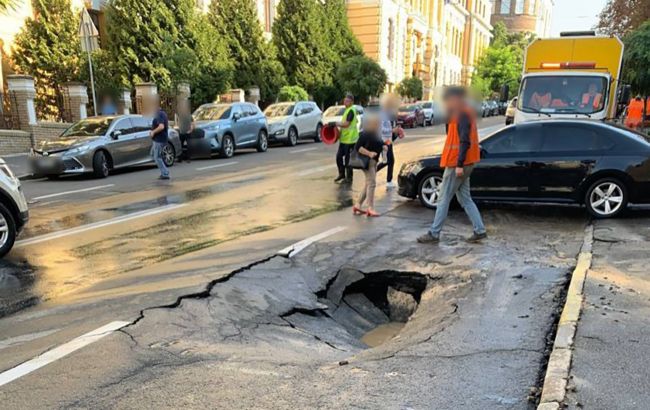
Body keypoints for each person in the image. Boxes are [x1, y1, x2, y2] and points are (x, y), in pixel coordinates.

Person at [418, 86, 486, 244]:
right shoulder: (462, 112)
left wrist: (459, 165)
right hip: (465, 162)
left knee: (443, 198)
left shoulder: (462, 114)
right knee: (465, 199)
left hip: (457, 164)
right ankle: (480, 229)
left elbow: (464, 141)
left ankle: (434, 233)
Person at [353, 115, 383, 217]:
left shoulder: (375, 134)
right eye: (376, 124)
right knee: (372, 183)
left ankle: (358, 205)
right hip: (367, 162)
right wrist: (369, 153)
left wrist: (385, 146)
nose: (378, 125)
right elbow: (358, 147)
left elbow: (379, 145)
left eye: (378, 124)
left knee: (368, 184)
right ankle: (370, 208)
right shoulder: (365, 134)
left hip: (373, 162)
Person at [376, 94, 403, 189]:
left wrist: (396, 132)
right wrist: (392, 130)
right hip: (383, 141)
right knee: (387, 161)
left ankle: (389, 180)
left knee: (389, 160)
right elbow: (381, 129)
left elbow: (388, 129)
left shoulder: (387, 114)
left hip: (388, 141)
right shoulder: (381, 115)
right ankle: (373, 172)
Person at [333, 93, 359, 184]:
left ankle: (349, 178)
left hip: (350, 140)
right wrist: (338, 133)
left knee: (348, 160)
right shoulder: (347, 110)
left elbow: (347, 124)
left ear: (352, 102)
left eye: (347, 101)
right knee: (338, 157)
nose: (345, 102)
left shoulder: (351, 110)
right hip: (344, 140)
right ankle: (341, 174)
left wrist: (336, 123)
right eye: (345, 100)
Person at [150, 97, 170, 180]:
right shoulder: (162, 113)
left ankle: (165, 173)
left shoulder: (159, 114)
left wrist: (153, 132)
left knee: (157, 157)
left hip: (159, 139)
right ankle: (164, 172)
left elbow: (161, 126)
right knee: (153, 154)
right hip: (158, 139)